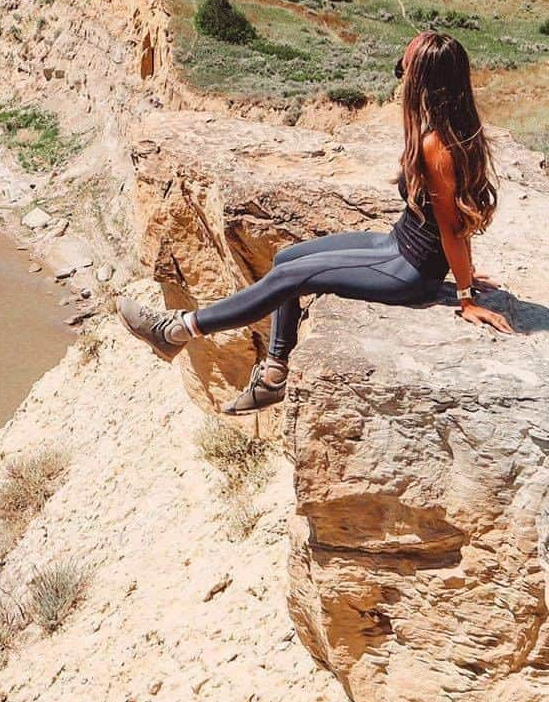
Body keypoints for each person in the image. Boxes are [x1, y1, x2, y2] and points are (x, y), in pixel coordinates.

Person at [118, 31, 514, 415]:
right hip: (397, 244)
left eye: (403, 69)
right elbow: (455, 216)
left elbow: (452, 225)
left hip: (408, 270)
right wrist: (466, 270)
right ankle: (274, 374)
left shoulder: (436, 145)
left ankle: (177, 330)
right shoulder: (440, 132)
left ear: (425, 82)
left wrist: (465, 294)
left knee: (291, 279)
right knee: (288, 259)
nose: (400, 77)